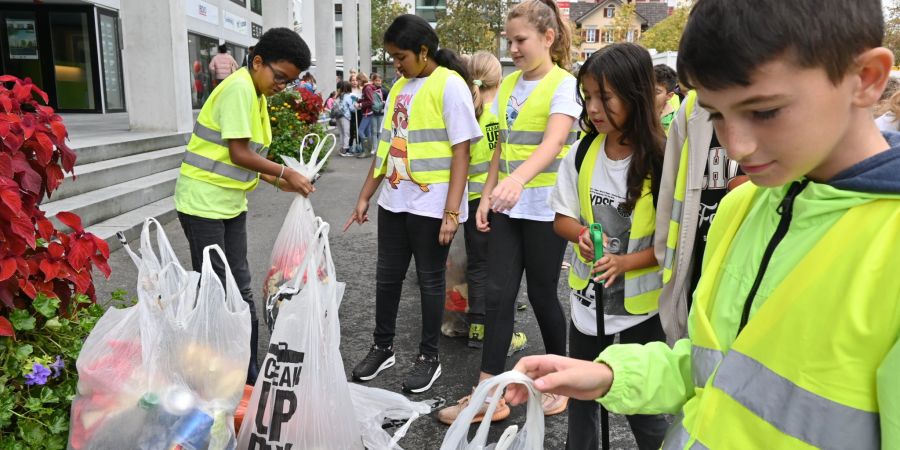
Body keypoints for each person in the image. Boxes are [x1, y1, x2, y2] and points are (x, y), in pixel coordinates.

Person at [506, 1, 900, 448]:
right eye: (715, 115)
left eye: (765, 111)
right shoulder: (741, 208)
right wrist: (609, 374)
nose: (737, 145)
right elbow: (712, 369)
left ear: (866, 79)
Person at [438, 0, 579, 425]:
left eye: (520, 40)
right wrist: (486, 195)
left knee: (540, 295)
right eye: (509, 40)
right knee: (498, 296)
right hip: (507, 208)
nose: (513, 48)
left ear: (548, 38)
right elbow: (501, 145)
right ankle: (489, 394)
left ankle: (563, 381)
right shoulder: (512, 84)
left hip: (546, 208)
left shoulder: (564, 85)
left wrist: (516, 183)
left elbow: (553, 143)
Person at [344, 14, 481, 394]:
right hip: (394, 200)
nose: (396, 64)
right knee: (387, 277)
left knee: (430, 281)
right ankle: (382, 347)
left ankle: (428, 357)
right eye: (391, 58)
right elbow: (386, 146)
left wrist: (452, 213)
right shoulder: (400, 87)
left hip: (431, 206)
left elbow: (461, 154)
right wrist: (365, 195)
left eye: (400, 56)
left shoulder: (450, 86)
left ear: (423, 51)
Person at [175, 28, 315, 385]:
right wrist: (285, 172)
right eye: (279, 77)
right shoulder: (239, 88)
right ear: (257, 62)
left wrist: (276, 180)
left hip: (227, 202)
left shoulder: (254, 92)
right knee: (219, 291)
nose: (281, 86)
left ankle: (246, 374)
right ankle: (222, 376)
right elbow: (239, 152)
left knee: (239, 289)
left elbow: (243, 158)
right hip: (203, 202)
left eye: (289, 82)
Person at [549, 43, 669, 450]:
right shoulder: (582, 152)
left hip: (641, 310)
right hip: (587, 306)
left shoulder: (663, 160)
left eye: (605, 97)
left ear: (635, 95)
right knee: (581, 399)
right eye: (587, 97)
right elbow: (562, 218)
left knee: (644, 406)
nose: (594, 108)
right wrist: (578, 234)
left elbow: (672, 245)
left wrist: (625, 262)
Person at [655, 89, 749, 342]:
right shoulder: (693, 106)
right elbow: (670, 191)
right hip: (698, 271)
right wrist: (667, 264)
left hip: (748, 271)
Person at [654, 64, 679, 132]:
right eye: (647, 89)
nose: (649, 94)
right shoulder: (637, 114)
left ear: (669, 96)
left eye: (656, 92)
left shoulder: (675, 124)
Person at [336, 81, 358, 156]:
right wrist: (355, 103)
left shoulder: (338, 96)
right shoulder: (348, 96)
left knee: (341, 133)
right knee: (346, 133)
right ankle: (345, 150)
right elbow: (352, 108)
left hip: (337, 116)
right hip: (345, 116)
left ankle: (341, 148)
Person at [355, 72, 375, 156]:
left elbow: (370, 101)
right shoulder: (367, 87)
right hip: (368, 112)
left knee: (360, 131)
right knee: (367, 132)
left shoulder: (367, 88)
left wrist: (360, 104)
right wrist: (360, 101)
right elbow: (367, 99)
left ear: (361, 79)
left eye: (358, 80)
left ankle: (366, 151)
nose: (357, 82)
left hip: (367, 113)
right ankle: (368, 151)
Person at [368, 73, 387, 156]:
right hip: (373, 113)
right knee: (374, 131)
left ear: (381, 81)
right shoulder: (370, 90)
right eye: (376, 80)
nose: (378, 82)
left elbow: (388, 101)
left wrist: (384, 103)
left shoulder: (384, 90)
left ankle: (379, 148)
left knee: (380, 131)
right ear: (373, 81)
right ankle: (374, 148)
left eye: (379, 80)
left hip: (381, 113)